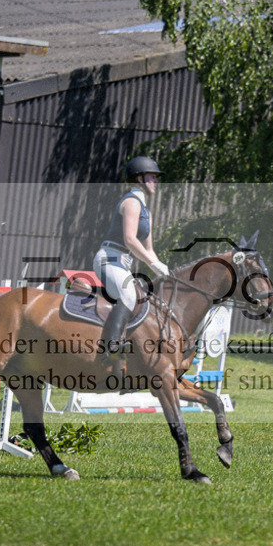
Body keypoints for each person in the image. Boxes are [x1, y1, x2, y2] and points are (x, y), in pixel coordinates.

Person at [93, 156, 170, 382]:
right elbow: (129, 239)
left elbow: (149, 248)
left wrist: (164, 272)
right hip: (109, 258)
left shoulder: (147, 211)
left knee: (143, 298)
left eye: (156, 178)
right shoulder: (131, 202)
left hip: (123, 264)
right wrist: (152, 264)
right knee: (128, 295)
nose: (156, 181)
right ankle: (111, 347)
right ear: (139, 178)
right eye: (152, 177)